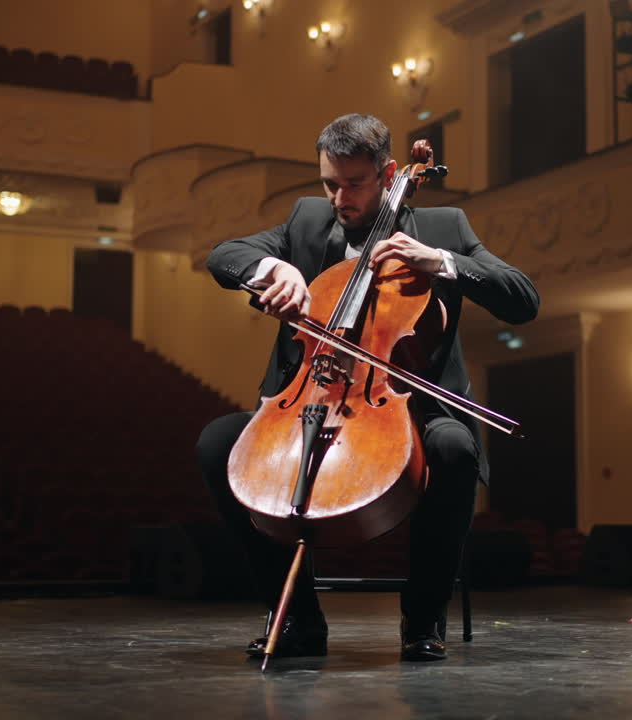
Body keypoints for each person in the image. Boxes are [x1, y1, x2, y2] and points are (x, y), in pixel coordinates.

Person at [197, 113, 538, 662]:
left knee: (454, 449)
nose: (338, 197)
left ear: (389, 173)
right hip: (307, 398)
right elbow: (224, 256)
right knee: (218, 445)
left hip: (412, 405)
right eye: (329, 182)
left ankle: (422, 618)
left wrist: (443, 263)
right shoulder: (307, 221)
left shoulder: (447, 227)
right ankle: (299, 621)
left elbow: (524, 299)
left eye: (353, 184)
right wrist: (269, 270)